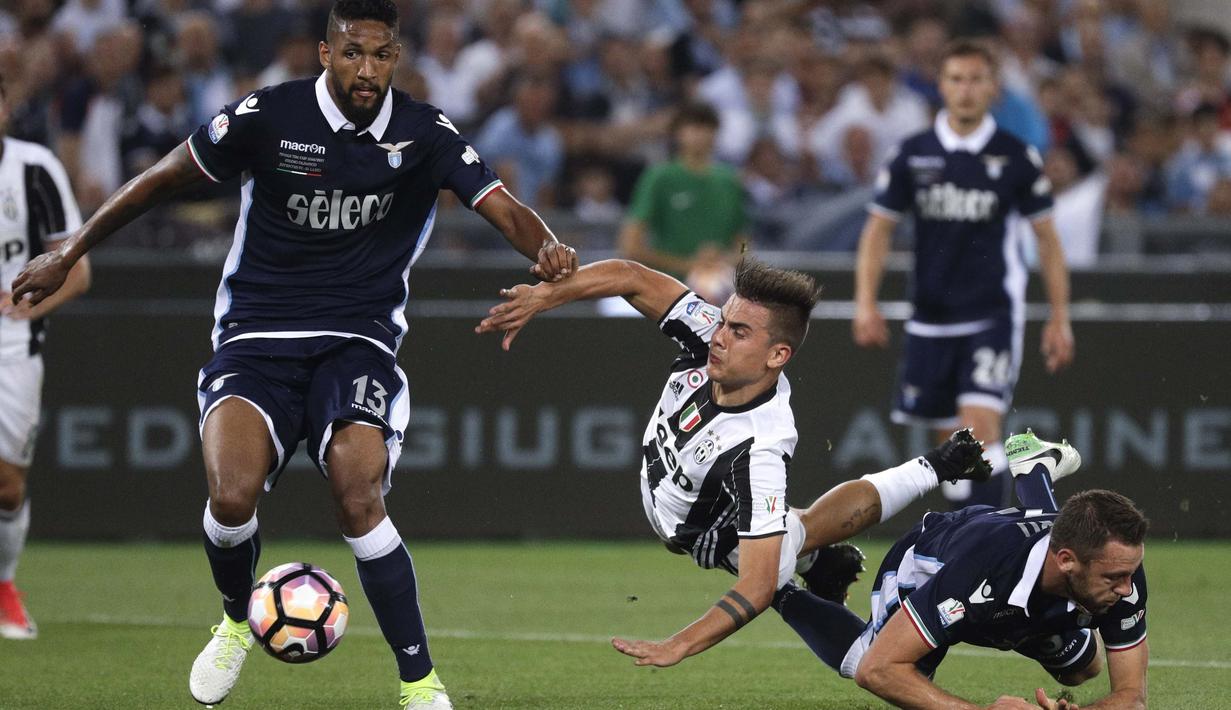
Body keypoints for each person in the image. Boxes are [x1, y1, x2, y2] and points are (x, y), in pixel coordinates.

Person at [10, 1, 578, 706]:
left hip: (357, 342)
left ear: (395, 57)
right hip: (255, 338)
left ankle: (419, 683)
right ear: (324, 52)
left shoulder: (424, 133)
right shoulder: (268, 116)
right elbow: (162, 179)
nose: (366, 69)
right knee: (231, 495)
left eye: (380, 56)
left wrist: (545, 245)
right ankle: (232, 621)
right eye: (352, 53)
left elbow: (500, 204)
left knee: (358, 494)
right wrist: (73, 248)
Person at [476, 257, 992, 668]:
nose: (720, 337)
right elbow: (631, 276)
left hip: (704, 534)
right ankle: (924, 477)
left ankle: (841, 556)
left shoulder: (758, 450)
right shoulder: (708, 335)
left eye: (740, 331)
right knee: (802, 529)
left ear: (777, 356)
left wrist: (678, 644)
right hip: (681, 496)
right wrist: (546, 296)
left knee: (781, 572)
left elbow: (755, 586)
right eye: (724, 320)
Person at [853, 39, 1075, 509]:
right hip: (931, 314)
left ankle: (992, 542)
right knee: (954, 445)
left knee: (979, 427)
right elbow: (878, 231)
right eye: (956, 79)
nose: (966, 90)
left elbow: (1048, 240)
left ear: (993, 88)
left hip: (992, 311)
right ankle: (968, 536)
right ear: (942, 86)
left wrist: (1059, 316)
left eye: (976, 79)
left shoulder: (1015, 156)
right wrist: (865, 303)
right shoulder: (913, 154)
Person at [776, 431, 1149, 710]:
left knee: (1082, 669)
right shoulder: (977, 574)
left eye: (1128, 574)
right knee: (872, 661)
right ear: (1067, 561)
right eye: (1114, 579)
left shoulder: (1118, 563)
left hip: (1020, 578)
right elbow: (877, 671)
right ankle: (779, 588)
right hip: (932, 562)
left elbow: (1132, 697)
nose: (1126, 589)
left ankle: (1033, 470)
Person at [0, 74, 90, 640]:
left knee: (7, 485)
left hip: (12, 344)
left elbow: (77, 270)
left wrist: (25, 311)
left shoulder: (33, 169)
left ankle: (4, 585)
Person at [617, 102, 747, 302]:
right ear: (677, 133)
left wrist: (726, 259)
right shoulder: (659, 177)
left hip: (720, 291)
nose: (700, 134)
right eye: (693, 127)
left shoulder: (730, 181)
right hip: (667, 292)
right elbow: (631, 245)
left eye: (707, 127)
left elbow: (745, 244)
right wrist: (688, 264)